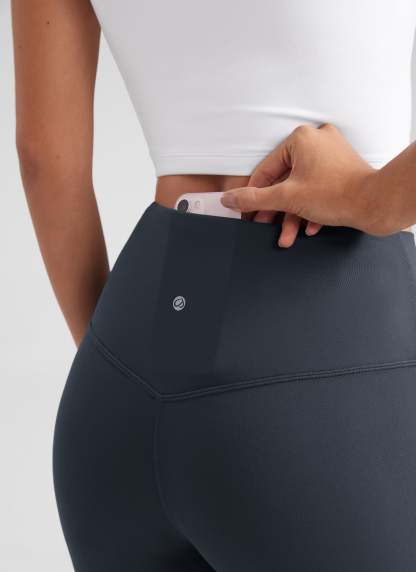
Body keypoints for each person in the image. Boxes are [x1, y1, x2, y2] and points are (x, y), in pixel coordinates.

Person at [12, 1, 416, 570]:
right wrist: (370, 199)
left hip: (126, 362)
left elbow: (43, 160)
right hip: (332, 339)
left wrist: (126, 361)